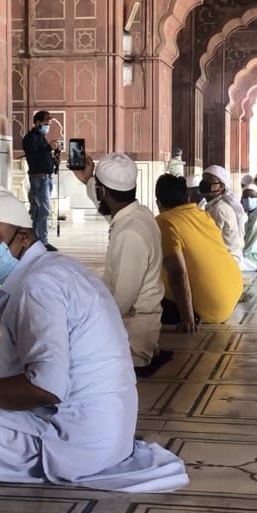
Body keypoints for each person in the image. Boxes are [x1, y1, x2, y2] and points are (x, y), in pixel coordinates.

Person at [0, 186, 188, 492]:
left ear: (24, 237)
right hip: (109, 438)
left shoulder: (38, 286)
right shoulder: (57, 268)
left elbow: (44, 388)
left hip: (75, 446)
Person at [72, 152, 171, 377]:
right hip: (132, 325)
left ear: (103, 191)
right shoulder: (139, 215)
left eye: (98, 188)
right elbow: (113, 215)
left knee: (62, 352)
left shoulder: (130, 234)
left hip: (132, 338)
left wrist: (83, 324)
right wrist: (89, 180)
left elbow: (122, 302)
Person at [153, 174, 243, 331]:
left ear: (158, 203)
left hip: (209, 306)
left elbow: (177, 273)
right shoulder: (202, 214)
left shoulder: (164, 222)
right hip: (231, 296)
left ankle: (193, 313)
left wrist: (187, 318)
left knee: (145, 297)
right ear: (187, 198)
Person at [199, 165, 254, 271]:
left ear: (222, 186)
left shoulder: (218, 209)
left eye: (210, 180)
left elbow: (211, 241)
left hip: (224, 264)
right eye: (204, 179)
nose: (205, 183)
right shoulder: (215, 205)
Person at [22, 110, 58, 249]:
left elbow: (43, 154)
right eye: (45, 124)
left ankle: (37, 240)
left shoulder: (41, 137)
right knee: (42, 209)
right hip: (39, 177)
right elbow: (34, 156)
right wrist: (49, 147)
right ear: (37, 122)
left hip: (46, 177)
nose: (47, 127)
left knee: (40, 210)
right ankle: (41, 241)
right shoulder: (30, 138)